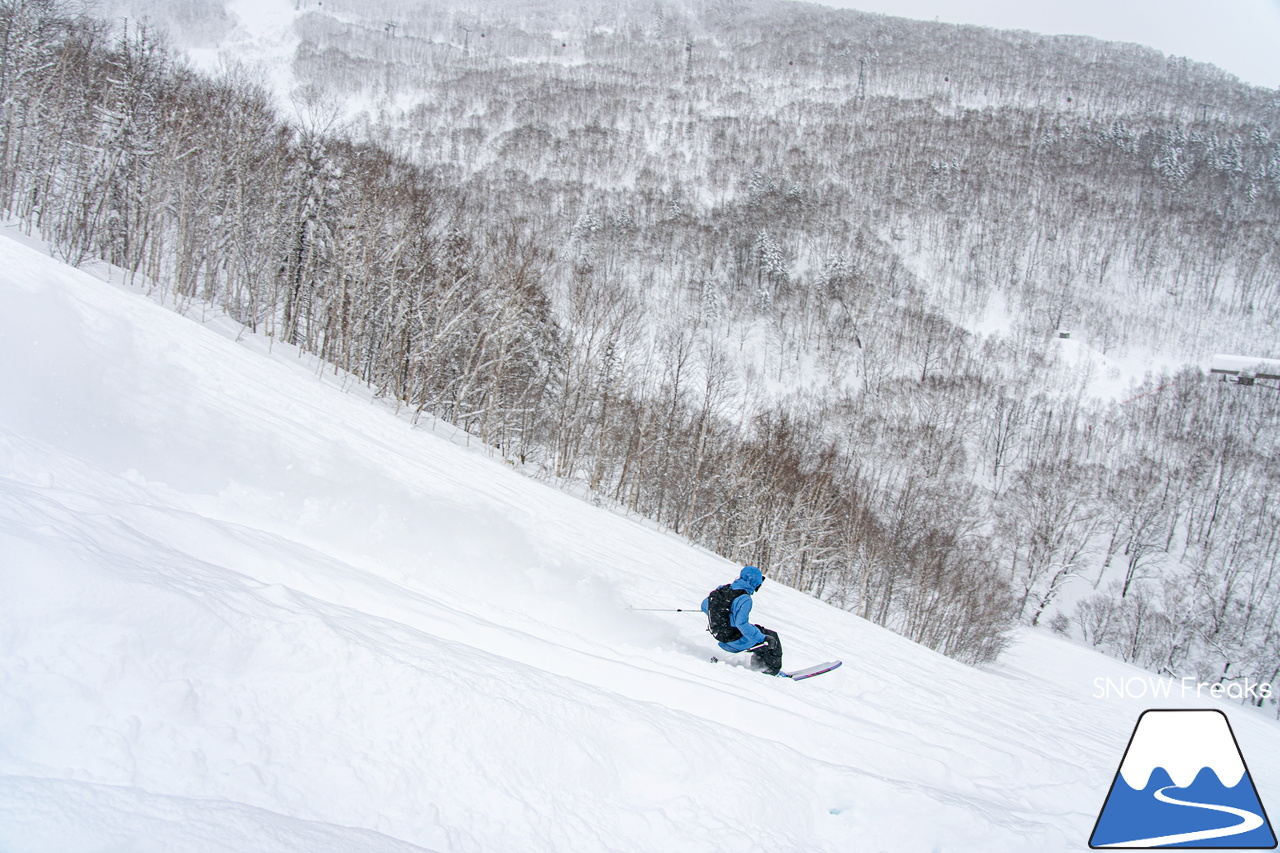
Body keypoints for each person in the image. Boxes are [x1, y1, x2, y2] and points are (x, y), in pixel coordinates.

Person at [701, 565, 783, 675]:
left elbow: (704, 605)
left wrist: (723, 617)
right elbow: (741, 624)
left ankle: (759, 666)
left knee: (759, 631)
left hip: (719, 633)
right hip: (733, 640)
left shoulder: (723, 589)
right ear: (755, 582)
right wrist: (762, 638)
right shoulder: (744, 598)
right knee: (772, 639)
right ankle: (770, 672)